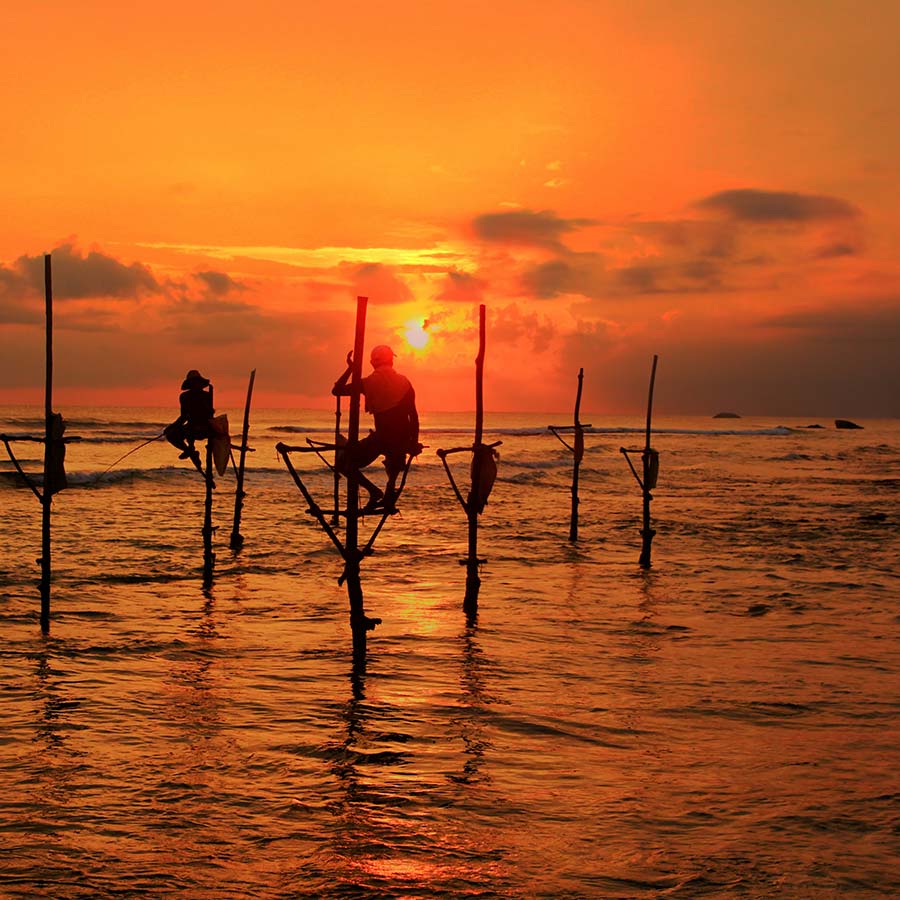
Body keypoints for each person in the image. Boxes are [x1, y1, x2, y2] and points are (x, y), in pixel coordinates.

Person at [332, 344, 421, 512]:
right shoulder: (405, 383)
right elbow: (414, 416)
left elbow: (337, 390)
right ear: (391, 362)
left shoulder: (369, 382)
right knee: (393, 466)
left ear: (373, 363)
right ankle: (388, 496)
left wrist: (351, 369)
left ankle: (374, 491)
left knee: (344, 464)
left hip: (383, 438)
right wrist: (413, 443)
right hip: (402, 439)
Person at [164, 369, 214, 470]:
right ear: (190, 384)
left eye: (197, 382)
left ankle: (190, 450)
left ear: (200, 383)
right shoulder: (185, 397)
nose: (196, 385)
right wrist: (172, 427)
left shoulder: (206, 396)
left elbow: (209, 414)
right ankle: (189, 450)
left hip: (204, 429)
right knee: (170, 434)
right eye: (193, 383)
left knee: (188, 429)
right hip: (191, 427)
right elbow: (183, 417)